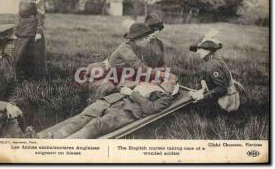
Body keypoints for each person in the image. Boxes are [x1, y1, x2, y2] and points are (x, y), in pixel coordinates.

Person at [46, 73, 178, 139]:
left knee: (96, 124)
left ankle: (64, 146)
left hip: (127, 111)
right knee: (84, 116)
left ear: (171, 86)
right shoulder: (145, 83)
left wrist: (133, 93)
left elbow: (150, 109)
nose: (159, 81)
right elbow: (120, 86)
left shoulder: (165, 97)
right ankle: (52, 137)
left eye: (164, 81)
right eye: (160, 79)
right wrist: (136, 84)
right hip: (112, 101)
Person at [87, 22, 167, 102]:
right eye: (146, 37)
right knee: (107, 91)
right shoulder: (125, 49)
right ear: (138, 38)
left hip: (121, 75)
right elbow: (140, 67)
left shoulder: (136, 47)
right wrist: (162, 74)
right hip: (107, 76)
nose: (149, 40)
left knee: (141, 85)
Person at [189, 36, 240, 115]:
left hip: (226, 102)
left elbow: (222, 89)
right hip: (225, 95)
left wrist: (202, 96)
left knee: (195, 108)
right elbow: (204, 69)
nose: (197, 52)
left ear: (208, 50)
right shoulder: (210, 58)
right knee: (194, 99)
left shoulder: (213, 64)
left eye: (200, 49)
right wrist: (203, 81)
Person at [14, 0, 47, 81]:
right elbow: (20, 14)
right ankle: (20, 77)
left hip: (32, 29)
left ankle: (36, 78)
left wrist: (39, 32)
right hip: (21, 28)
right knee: (18, 55)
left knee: (34, 55)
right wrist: (17, 28)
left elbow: (41, 15)